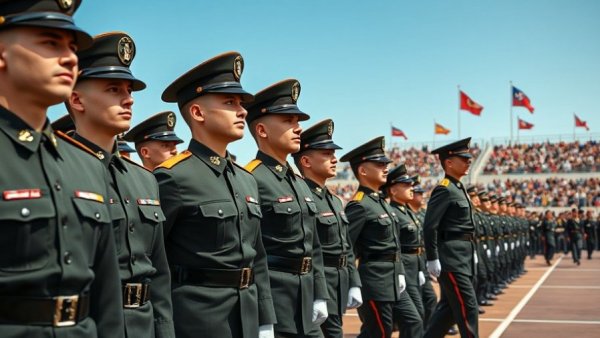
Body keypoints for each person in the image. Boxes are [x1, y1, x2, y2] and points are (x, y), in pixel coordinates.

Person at [0, 1, 124, 336]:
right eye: (50, 42)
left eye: (72, 47)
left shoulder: (86, 165)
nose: (70, 58)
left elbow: (107, 295)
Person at [155, 52, 276, 338]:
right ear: (197, 113)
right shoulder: (173, 177)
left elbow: (257, 256)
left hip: (246, 314)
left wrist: (265, 317)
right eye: (229, 102)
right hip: (198, 320)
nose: (243, 111)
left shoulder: (246, 179)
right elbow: (155, 261)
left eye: (241, 103)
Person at [66, 31, 175, 338]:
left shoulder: (144, 180)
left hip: (143, 326)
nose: (128, 98)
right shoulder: (57, 171)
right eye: (113, 89)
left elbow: (160, 273)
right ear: (76, 99)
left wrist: (164, 331)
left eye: (129, 89)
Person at [244, 79, 328, 337]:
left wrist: (320, 294)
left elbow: (314, 246)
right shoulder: (251, 179)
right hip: (276, 300)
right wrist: (263, 314)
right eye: (288, 121)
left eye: (297, 121)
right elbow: (251, 253)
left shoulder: (299, 182)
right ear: (262, 130)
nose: (298, 128)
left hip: (306, 299)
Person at [292, 119, 362, 338]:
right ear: (306, 160)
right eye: (326, 153)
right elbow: (309, 250)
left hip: (338, 284)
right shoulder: (303, 197)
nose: (334, 159)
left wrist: (353, 281)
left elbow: (346, 246)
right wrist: (319, 292)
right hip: (319, 285)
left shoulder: (333, 199)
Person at [341, 136, 407, 338]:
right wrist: (353, 283)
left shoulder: (381, 202)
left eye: (385, 163)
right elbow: (347, 247)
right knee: (381, 332)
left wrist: (400, 271)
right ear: (362, 170)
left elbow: (394, 244)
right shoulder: (359, 205)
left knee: (388, 328)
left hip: (391, 278)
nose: (385, 167)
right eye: (379, 164)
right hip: (374, 282)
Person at [423, 137, 479, 338]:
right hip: (451, 258)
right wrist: (432, 257)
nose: (468, 162)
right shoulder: (444, 189)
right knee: (468, 307)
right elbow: (430, 226)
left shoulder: (459, 187)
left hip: (462, 256)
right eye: (463, 159)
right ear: (448, 162)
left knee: (447, 311)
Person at [382, 164, 425, 337]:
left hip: (414, 265)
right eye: (406, 185)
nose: (411, 189)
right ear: (392, 191)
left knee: (415, 316)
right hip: (403, 266)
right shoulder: (393, 212)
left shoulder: (406, 212)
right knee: (414, 317)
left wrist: (421, 268)